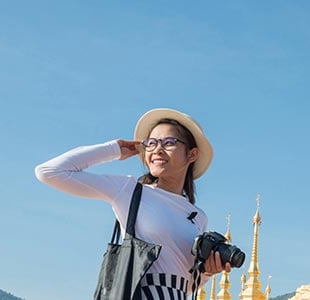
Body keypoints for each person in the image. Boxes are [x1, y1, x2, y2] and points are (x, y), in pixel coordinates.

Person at [36, 108, 231, 299]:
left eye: (169, 142)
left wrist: (206, 272)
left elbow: (184, 286)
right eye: (151, 143)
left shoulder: (198, 216)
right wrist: (113, 150)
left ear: (192, 154)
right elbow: (49, 171)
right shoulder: (130, 191)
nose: (157, 150)